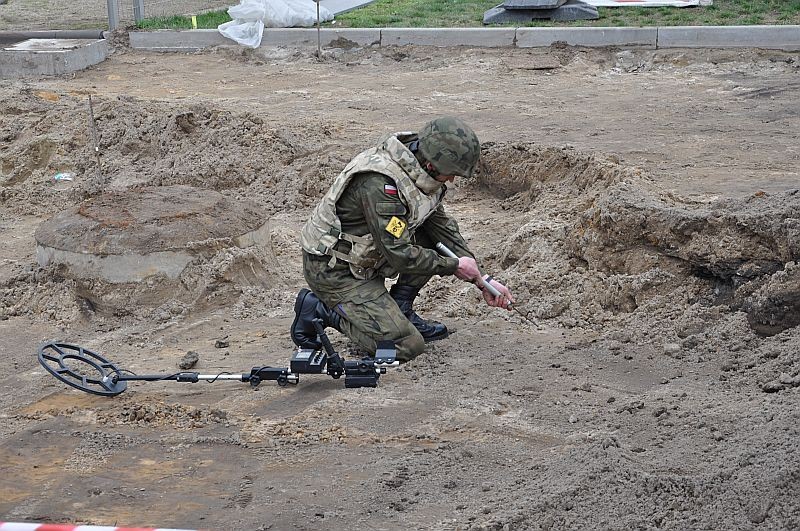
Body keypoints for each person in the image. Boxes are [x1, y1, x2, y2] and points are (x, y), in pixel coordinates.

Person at [290, 116, 514, 363]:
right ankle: (320, 310)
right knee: (406, 345)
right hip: (336, 271)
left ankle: (400, 309)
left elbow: (439, 225)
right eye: (450, 174)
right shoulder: (380, 183)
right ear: (431, 165)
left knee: (430, 238)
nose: (451, 180)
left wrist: (483, 280)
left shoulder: (417, 165)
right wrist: (453, 266)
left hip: (366, 259)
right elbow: (400, 256)